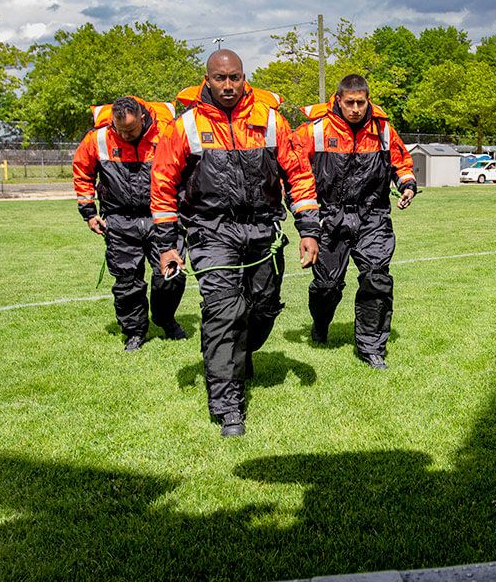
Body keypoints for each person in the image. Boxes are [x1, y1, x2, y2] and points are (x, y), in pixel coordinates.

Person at [151, 49, 320, 437]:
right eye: (220, 78)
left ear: (245, 78)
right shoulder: (186, 125)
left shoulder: (271, 121)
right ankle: (228, 405)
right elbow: (162, 186)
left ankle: (240, 357)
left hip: (264, 230)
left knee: (262, 308)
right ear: (206, 80)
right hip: (212, 232)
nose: (228, 85)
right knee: (223, 312)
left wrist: (309, 229)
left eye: (235, 77)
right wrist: (167, 244)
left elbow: (299, 176)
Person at [291, 74, 416, 369]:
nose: (356, 108)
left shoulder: (383, 130)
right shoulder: (314, 132)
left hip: (373, 216)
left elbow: (401, 162)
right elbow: (292, 170)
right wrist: (305, 215)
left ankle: (372, 348)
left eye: (361, 102)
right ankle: (321, 323)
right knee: (327, 286)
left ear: (368, 100)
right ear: (338, 99)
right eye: (350, 103)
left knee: (377, 278)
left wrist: (408, 185)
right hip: (329, 217)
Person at [73, 95, 187, 351]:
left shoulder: (166, 134)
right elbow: (82, 171)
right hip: (120, 219)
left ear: (143, 118)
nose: (124, 135)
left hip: (162, 217)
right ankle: (135, 331)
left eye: (131, 129)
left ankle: (164, 319)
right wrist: (89, 212)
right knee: (127, 281)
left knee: (170, 275)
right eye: (120, 129)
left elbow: (185, 169)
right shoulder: (99, 138)